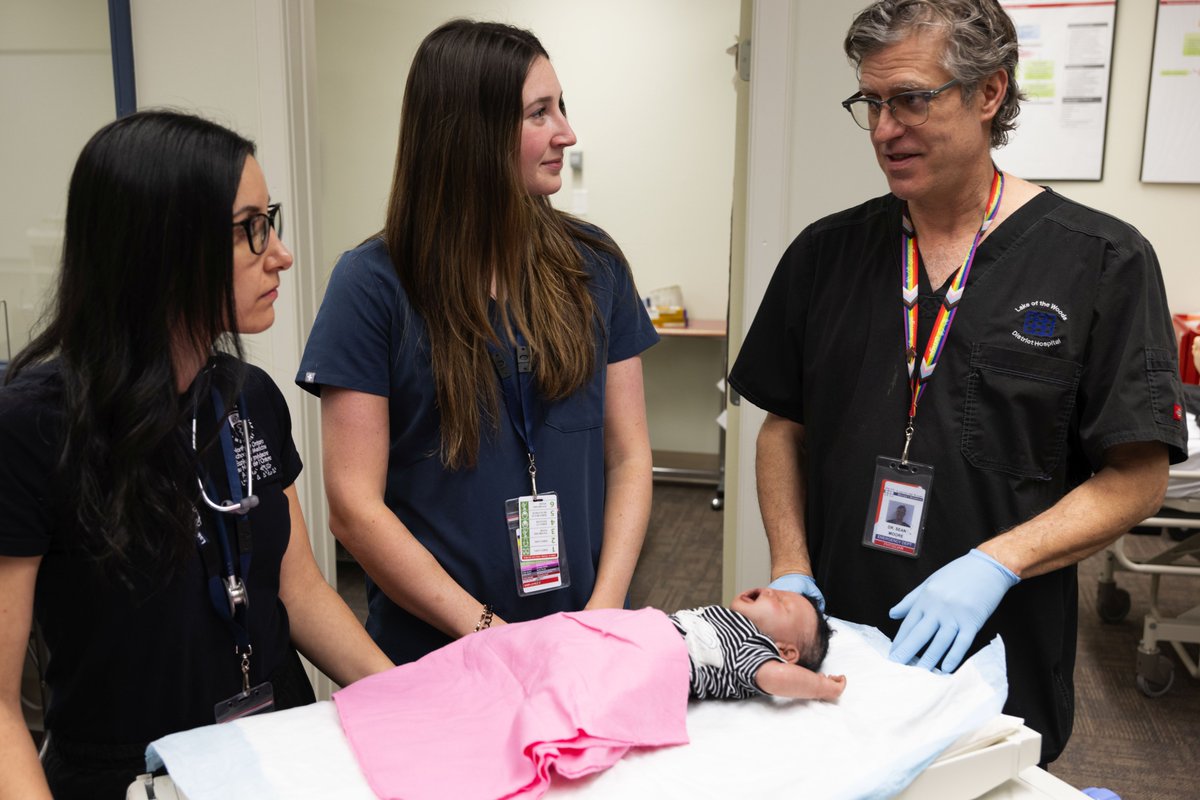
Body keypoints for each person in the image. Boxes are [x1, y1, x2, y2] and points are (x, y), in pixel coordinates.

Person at [728, 0, 1187, 764]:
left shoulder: (1102, 261)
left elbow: (1137, 478)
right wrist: (791, 564)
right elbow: (785, 427)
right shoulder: (825, 254)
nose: (883, 129)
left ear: (988, 93)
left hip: (996, 660)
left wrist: (996, 562)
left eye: (910, 97)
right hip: (841, 651)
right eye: (870, 102)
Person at [0, 111, 393, 799]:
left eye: (268, 220)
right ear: (162, 247)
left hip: (281, 755)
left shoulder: (250, 398)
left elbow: (297, 593)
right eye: (250, 229)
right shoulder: (34, 425)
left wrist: (410, 695)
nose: (279, 253)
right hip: (135, 778)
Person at [296, 20, 658, 665]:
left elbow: (629, 456)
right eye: (538, 114)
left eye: (561, 107)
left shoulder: (594, 266)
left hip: (583, 641)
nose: (567, 134)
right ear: (472, 133)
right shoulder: (374, 284)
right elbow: (353, 507)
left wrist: (602, 616)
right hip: (440, 652)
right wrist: (492, 635)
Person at [672, 586, 844, 701]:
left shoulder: (751, 646)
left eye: (782, 603)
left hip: (662, 666)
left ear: (784, 652)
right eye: (778, 591)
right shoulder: (724, 618)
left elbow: (778, 676)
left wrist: (821, 687)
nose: (769, 591)